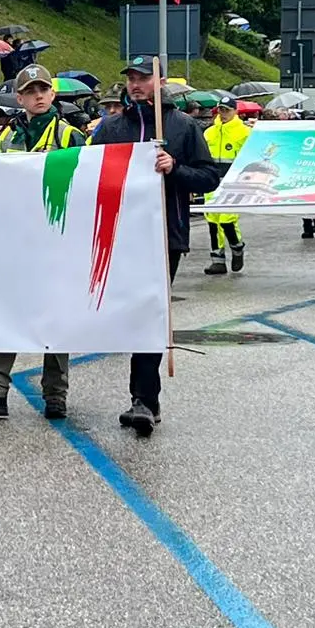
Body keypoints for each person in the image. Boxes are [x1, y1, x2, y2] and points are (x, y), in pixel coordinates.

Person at [90, 57, 219, 437]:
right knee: (132, 315)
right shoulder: (112, 128)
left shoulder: (182, 126)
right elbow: (89, 171)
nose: (135, 84)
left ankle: (143, 399)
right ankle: (147, 398)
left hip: (166, 236)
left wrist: (174, 167)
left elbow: (209, 177)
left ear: (159, 81)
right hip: (121, 235)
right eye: (130, 78)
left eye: (143, 78)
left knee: (149, 313)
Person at [0, 64, 84, 420]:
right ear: (20, 98)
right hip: (14, 240)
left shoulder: (70, 135)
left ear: (53, 94)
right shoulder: (3, 138)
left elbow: (87, 184)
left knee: (56, 318)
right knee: (6, 313)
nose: (39, 95)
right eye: (31, 91)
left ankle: (55, 395)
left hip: (57, 238)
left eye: (44, 89)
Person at [202, 99, 250, 276]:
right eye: (220, 110)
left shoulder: (245, 132)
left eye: (226, 110)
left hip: (233, 184)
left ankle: (237, 247)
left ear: (235, 111)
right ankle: (217, 259)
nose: (222, 113)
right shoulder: (209, 133)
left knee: (227, 219)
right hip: (212, 183)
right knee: (213, 220)